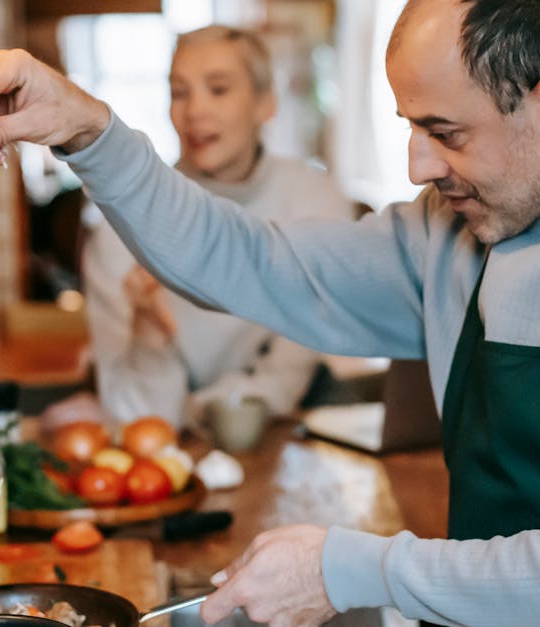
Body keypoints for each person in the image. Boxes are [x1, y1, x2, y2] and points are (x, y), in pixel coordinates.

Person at [0, 0, 540, 625]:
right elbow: (253, 263)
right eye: (408, 126)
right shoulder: (453, 236)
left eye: (445, 131)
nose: (416, 164)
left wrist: (358, 566)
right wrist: (90, 135)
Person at [82, 25, 352, 429]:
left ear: (266, 103)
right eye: (179, 92)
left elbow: (284, 380)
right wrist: (150, 341)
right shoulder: (119, 230)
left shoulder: (316, 203)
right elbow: (137, 421)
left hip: (274, 440)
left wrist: (197, 409)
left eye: (219, 89)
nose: (195, 112)